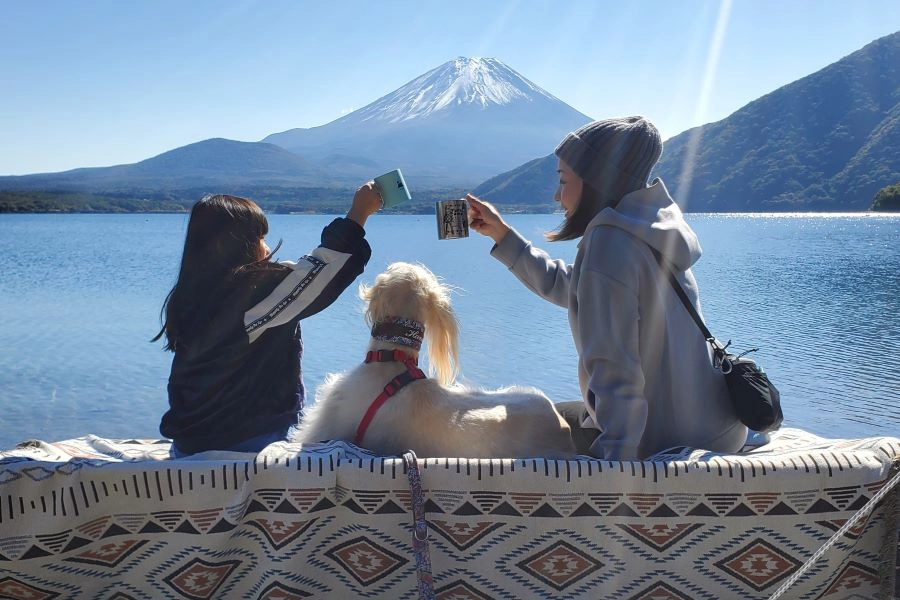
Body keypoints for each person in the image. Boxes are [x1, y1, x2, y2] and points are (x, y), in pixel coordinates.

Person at [466, 116, 748, 460]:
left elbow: (615, 370)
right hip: (715, 428)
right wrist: (502, 234)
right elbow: (574, 287)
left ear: (597, 179)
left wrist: (614, 468)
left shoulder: (610, 244)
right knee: (559, 415)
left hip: (664, 441)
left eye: (563, 180)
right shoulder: (650, 227)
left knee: (517, 428)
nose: (557, 195)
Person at [155, 184, 382, 456]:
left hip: (187, 445)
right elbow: (322, 274)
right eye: (260, 238)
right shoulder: (251, 296)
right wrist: (358, 215)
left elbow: (299, 277)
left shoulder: (192, 293)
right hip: (244, 444)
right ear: (235, 245)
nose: (265, 247)